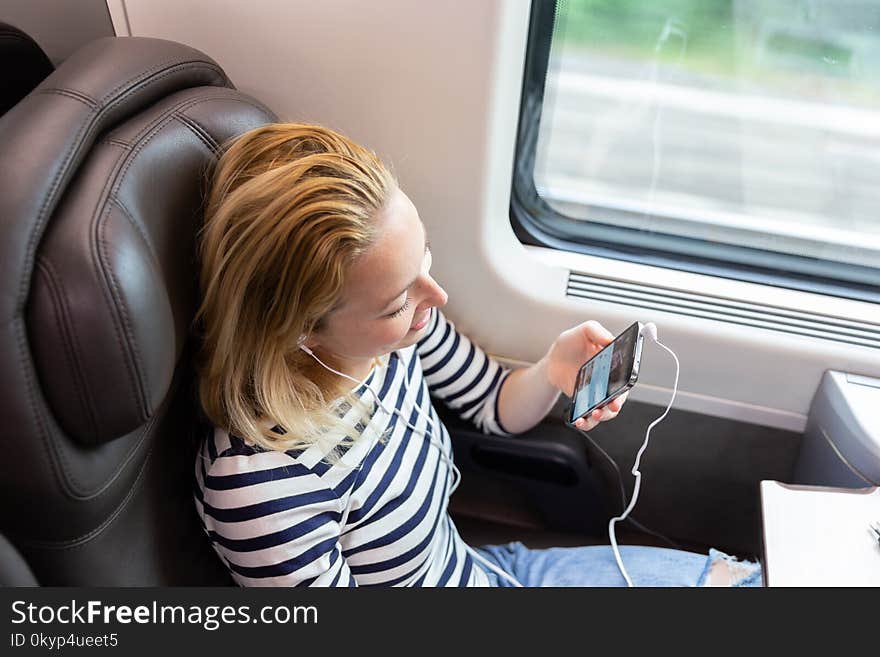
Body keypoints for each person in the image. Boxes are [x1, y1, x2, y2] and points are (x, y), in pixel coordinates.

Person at [191, 122, 762, 587]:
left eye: (426, 259)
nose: (434, 299)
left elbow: (493, 403)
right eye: (396, 302)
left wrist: (553, 369)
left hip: (489, 573)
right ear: (299, 331)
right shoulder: (263, 488)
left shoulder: (396, 341)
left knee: (752, 585)